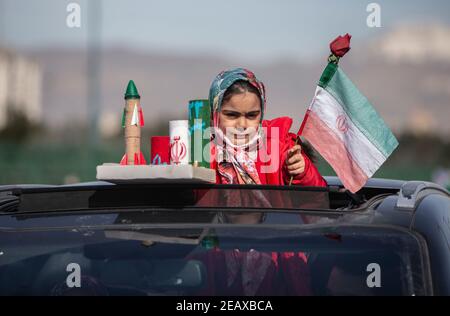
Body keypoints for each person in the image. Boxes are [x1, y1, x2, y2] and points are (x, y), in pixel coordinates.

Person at [208, 67, 326, 187]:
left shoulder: (283, 150)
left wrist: (302, 172)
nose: (242, 125)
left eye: (251, 115)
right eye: (231, 115)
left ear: (261, 114)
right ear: (215, 114)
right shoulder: (199, 151)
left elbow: (317, 198)